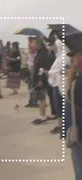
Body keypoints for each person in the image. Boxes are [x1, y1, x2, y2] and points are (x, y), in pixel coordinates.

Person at [64, 34, 82, 179]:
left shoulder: (79, 81)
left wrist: (70, 76)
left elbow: (70, 98)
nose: (73, 58)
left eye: (75, 55)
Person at [30, 38, 53, 124]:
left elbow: (43, 68)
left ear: (39, 44)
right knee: (40, 98)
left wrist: (40, 80)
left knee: (42, 98)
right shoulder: (39, 53)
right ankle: (41, 115)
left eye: (34, 44)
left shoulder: (43, 53)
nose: (33, 45)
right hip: (38, 78)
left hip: (41, 79)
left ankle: (43, 117)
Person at [25, 37, 39, 107]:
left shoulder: (33, 48)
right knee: (30, 85)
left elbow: (33, 57)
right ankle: (31, 101)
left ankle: (34, 101)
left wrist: (30, 47)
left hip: (32, 69)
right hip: (30, 68)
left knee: (33, 85)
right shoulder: (31, 48)